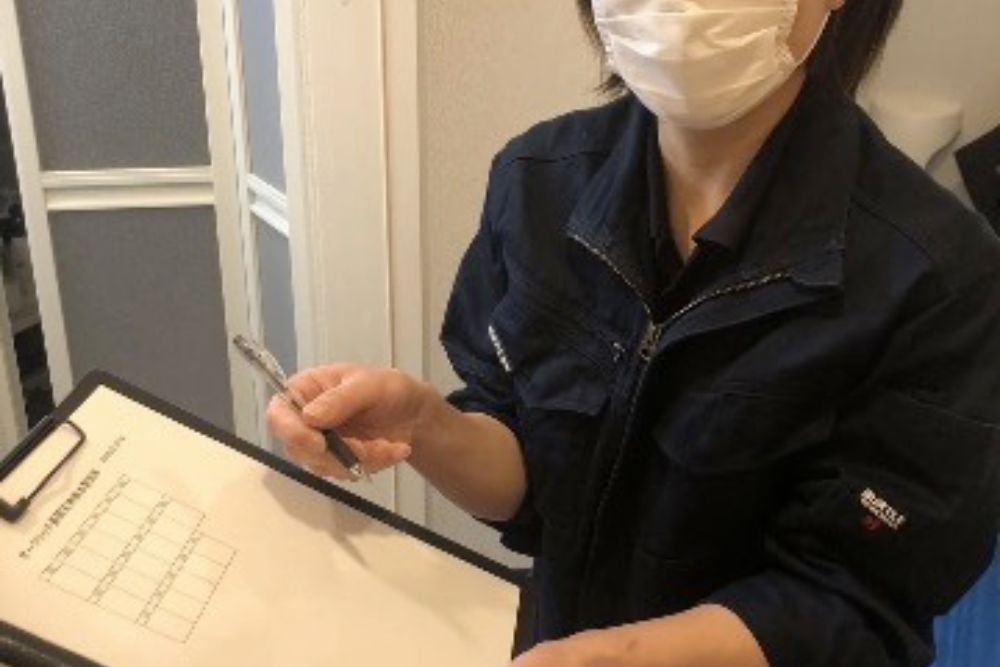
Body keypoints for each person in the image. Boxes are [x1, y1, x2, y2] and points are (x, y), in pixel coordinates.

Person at [267, 1, 1000, 665]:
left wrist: (622, 656)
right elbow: (530, 487)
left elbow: (857, 603)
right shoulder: (536, 182)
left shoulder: (939, 276)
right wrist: (425, 425)